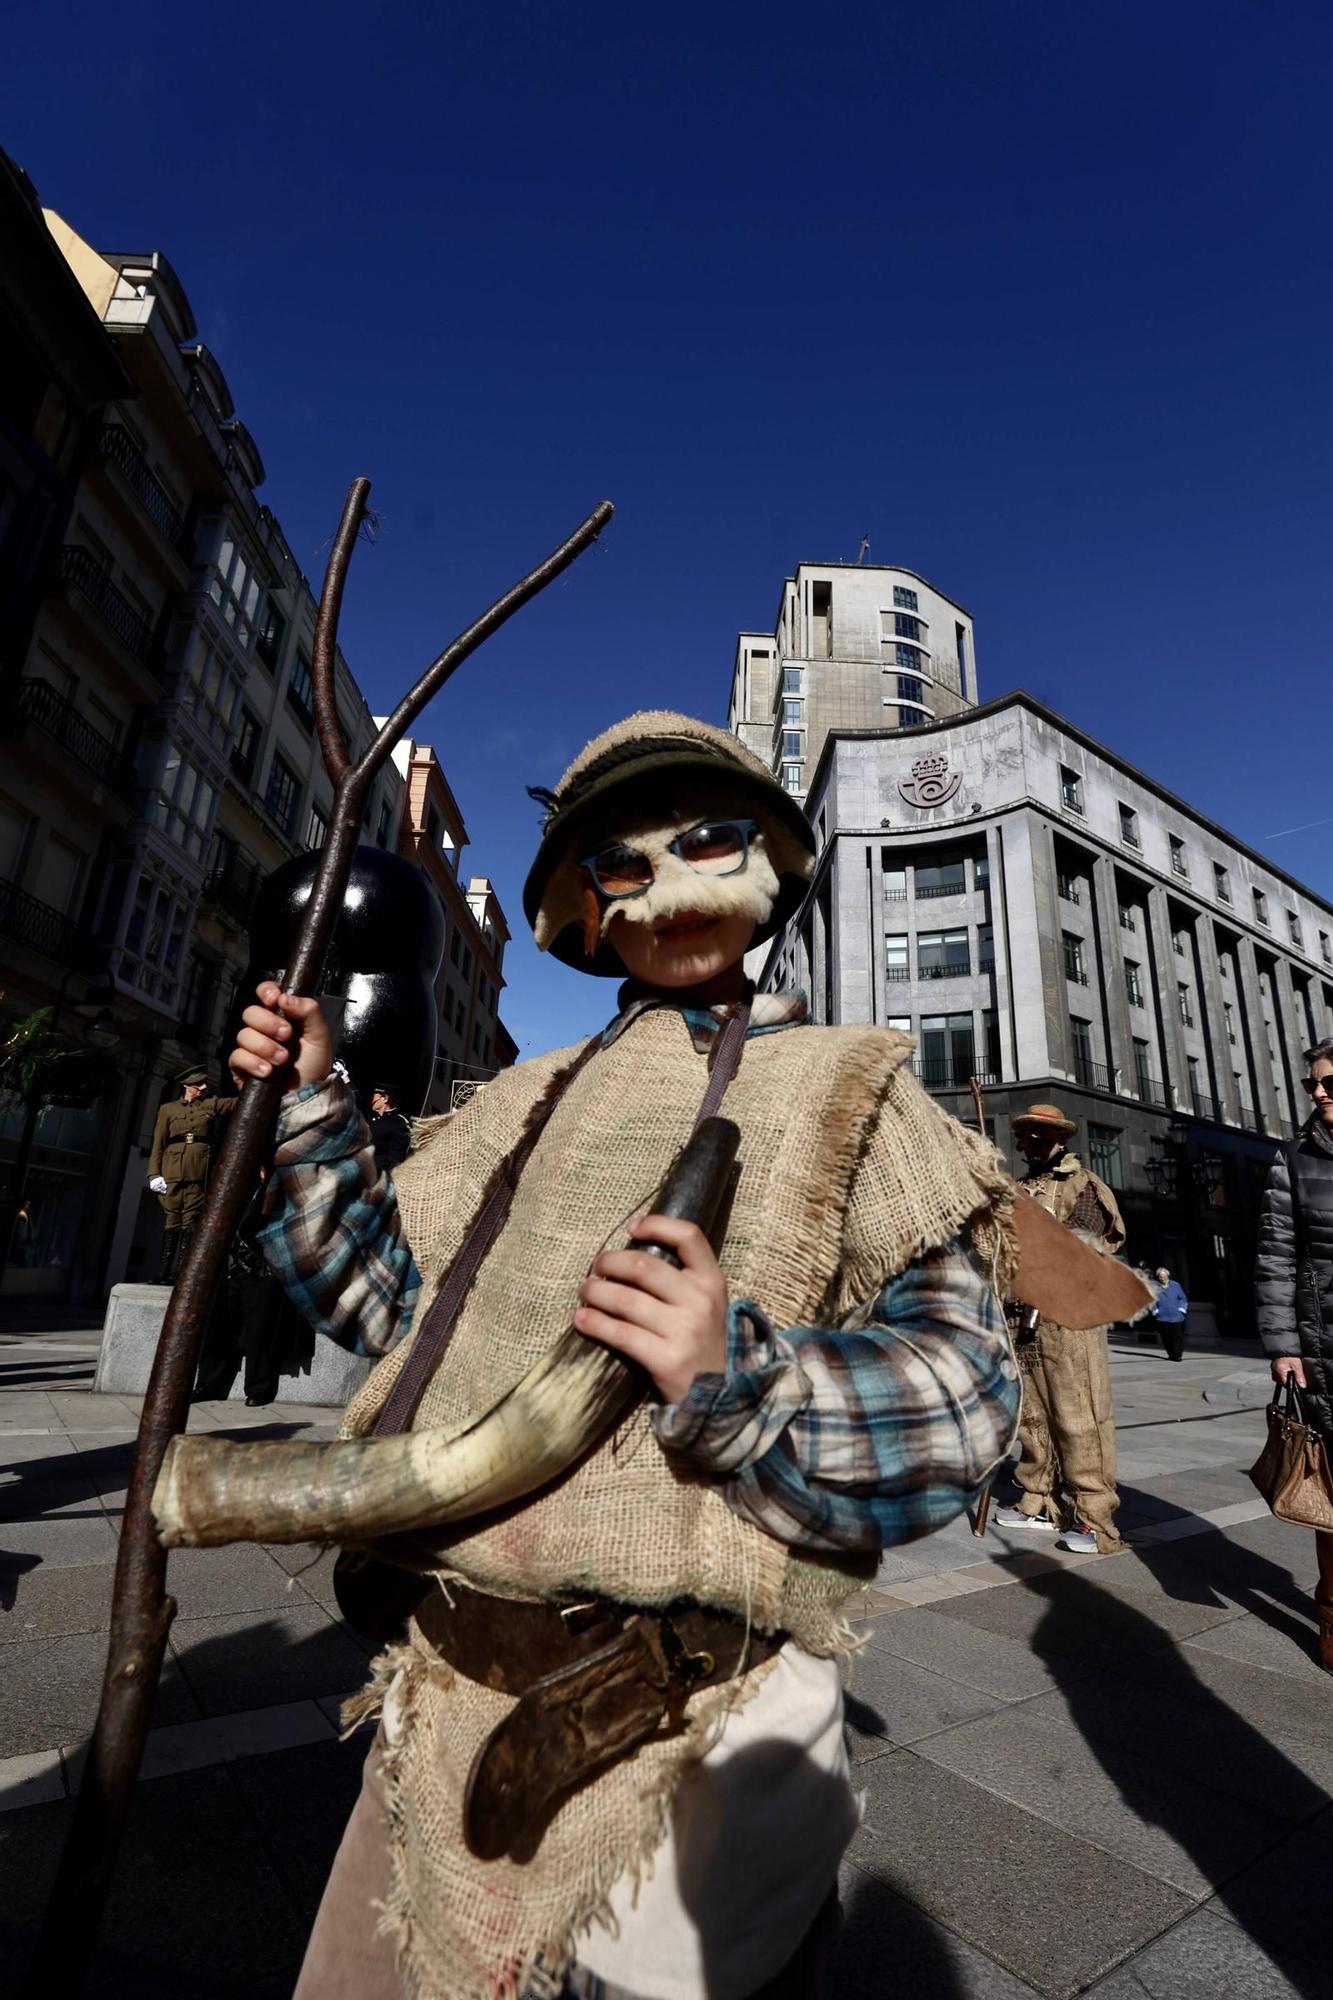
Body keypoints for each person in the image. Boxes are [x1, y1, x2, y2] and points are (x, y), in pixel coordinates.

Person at [229, 710, 1023, 2000]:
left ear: (766, 857)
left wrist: (740, 1376)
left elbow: (966, 1399)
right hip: (440, 1704)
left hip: (691, 1742)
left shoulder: (855, 1087)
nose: (669, 892)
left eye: (708, 841)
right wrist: (310, 1102)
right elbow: (381, 1302)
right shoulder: (520, 1097)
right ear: (582, 903)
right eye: (623, 864)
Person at [992, 1102, 1126, 1555]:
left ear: (1061, 1140)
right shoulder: (1015, 1189)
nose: (1030, 1142)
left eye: (1040, 1135)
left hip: (1069, 1319)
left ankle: (1093, 1519)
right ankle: (1037, 1500)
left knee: (1078, 1417)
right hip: (1020, 1318)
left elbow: (1083, 1237)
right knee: (1030, 1416)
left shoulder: (1083, 1185)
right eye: (1025, 1135)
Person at [1255, 1035, 1333, 1673]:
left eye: (1329, 1080)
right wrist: (1283, 1345)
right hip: (1324, 1349)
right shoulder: (1294, 1158)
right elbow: (1277, 1258)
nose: (1319, 1091)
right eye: (1312, 1083)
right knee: (1331, 1497)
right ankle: (1332, 1613)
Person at [147, 1066, 237, 1285]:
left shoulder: (209, 1105)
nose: (204, 1087)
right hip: (172, 1169)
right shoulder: (168, 1109)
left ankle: (180, 1273)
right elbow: (158, 1141)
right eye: (199, 1084)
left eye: (204, 1084)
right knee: (171, 1220)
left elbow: (236, 1104)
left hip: (198, 1170)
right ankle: (163, 1273)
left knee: (190, 1222)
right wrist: (153, 1174)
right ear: (187, 1085)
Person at [367, 1083, 412, 1174]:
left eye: (374, 1097)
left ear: (385, 1098)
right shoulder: (371, 1118)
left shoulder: (398, 1123)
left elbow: (396, 1160)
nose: (372, 1101)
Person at [1151, 1265, 1189, 1362]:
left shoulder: (1175, 1285)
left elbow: (1182, 1298)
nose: (1162, 1278)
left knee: (1177, 1337)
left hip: (1176, 1316)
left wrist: (1181, 1309)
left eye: (1164, 1276)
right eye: (1160, 1276)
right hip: (1162, 1317)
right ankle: (1171, 1354)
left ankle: (1178, 1355)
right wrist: (1155, 1310)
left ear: (1168, 1276)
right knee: (1166, 1338)